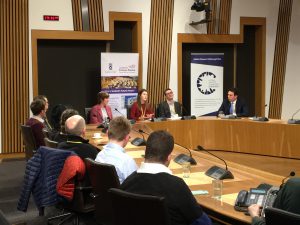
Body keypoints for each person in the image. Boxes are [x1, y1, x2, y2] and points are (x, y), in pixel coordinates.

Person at [121, 130, 212, 225]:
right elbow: (203, 222)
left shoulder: (128, 182)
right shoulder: (176, 186)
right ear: (168, 157)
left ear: (146, 152)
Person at [95, 116, 137, 184]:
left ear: (107, 133)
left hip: (102, 194)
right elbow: (135, 186)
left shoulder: (99, 156)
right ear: (127, 137)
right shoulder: (127, 161)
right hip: (120, 194)